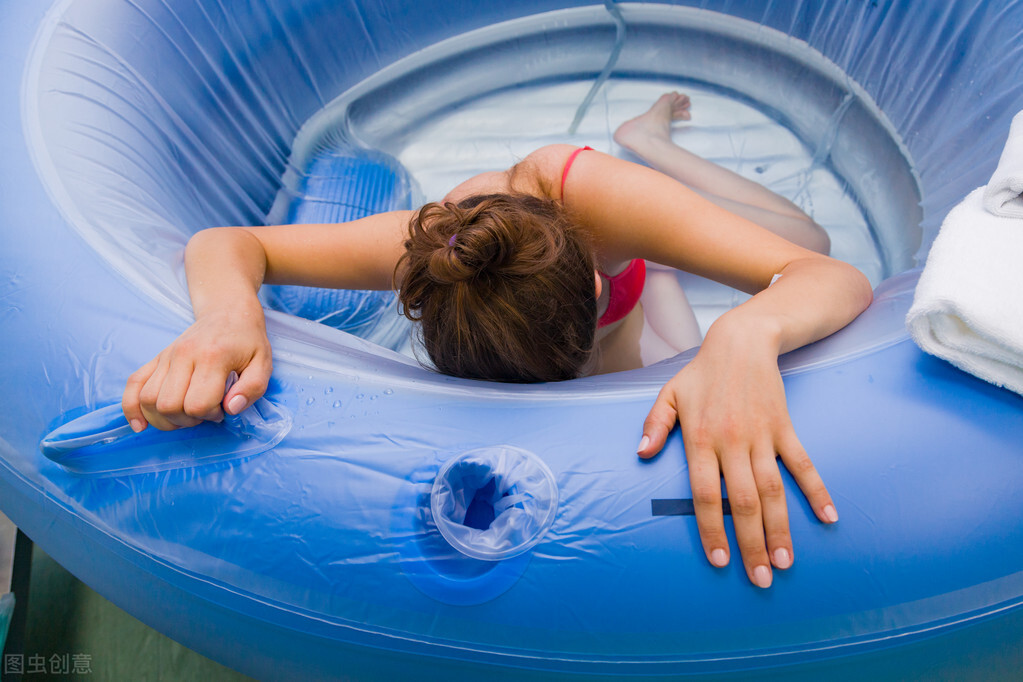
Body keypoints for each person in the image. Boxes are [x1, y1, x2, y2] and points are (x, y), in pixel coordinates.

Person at [122, 92, 873, 588]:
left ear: (593, 288)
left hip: (623, 259)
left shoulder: (601, 208)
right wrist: (227, 316)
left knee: (802, 234)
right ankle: (677, 258)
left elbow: (824, 273)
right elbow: (228, 244)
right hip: (602, 295)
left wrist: (748, 331)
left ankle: (649, 148)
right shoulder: (428, 253)